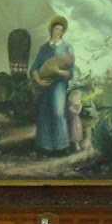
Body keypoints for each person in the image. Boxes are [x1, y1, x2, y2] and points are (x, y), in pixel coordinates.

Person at [30, 15, 74, 154]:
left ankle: (61, 147)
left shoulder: (67, 47)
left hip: (58, 84)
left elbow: (70, 72)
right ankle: (45, 147)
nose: (59, 32)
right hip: (44, 85)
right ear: (51, 30)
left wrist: (58, 72)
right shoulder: (44, 48)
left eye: (61, 30)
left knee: (58, 112)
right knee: (44, 113)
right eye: (56, 29)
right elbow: (35, 68)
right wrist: (39, 81)